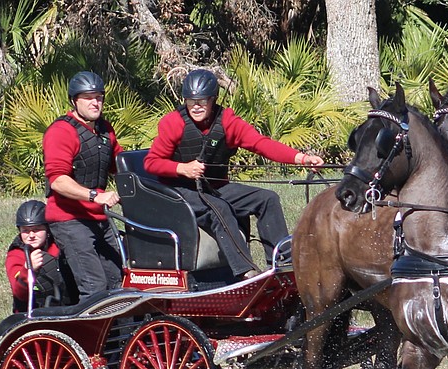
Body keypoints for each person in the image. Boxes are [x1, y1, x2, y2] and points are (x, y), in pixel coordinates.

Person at [144, 69, 323, 279]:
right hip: (179, 192)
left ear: (213, 99)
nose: (196, 106)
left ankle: (283, 265)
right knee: (218, 208)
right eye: (191, 101)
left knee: (267, 199)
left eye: (202, 101)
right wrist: (182, 168)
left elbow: (260, 144)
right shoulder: (173, 123)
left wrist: (301, 158)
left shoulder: (228, 121)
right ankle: (246, 272)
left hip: (213, 189)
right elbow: (151, 163)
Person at [43, 71, 123, 301]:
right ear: (74, 101)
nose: (95, 102)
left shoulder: (105, 130)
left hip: (99, 218)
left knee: (118, 282)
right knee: (95, 286)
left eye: (98, 97)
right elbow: (58, 180)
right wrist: (94, 196)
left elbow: (120, 166)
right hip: (69, 220)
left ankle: (120, 336)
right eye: (88, 97)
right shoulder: (61, 131)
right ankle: (89, 337)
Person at [6, 200, 77, 312]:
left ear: (47, 229)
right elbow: (19, 294)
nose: (31, 235)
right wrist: (28, 270)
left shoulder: (60, 244)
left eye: (37, 229)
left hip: (67, 306)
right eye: (26, 231)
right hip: (33, 311)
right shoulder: (16, 253)